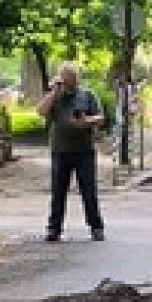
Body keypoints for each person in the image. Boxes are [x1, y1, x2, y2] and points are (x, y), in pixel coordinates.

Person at [37, 63, 106, 242]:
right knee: (58, 192)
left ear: (77, 79)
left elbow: (100, 117)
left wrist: (87, 121)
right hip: (60, 150)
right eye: (65, 80)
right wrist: (53, 93)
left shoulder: (87, 95)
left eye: (71, 80)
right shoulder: (55, 97)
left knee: (89, 191)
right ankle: (54, 228)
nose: (68, 84)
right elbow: (41, 111)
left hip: (84, 151)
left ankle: (96, 227)